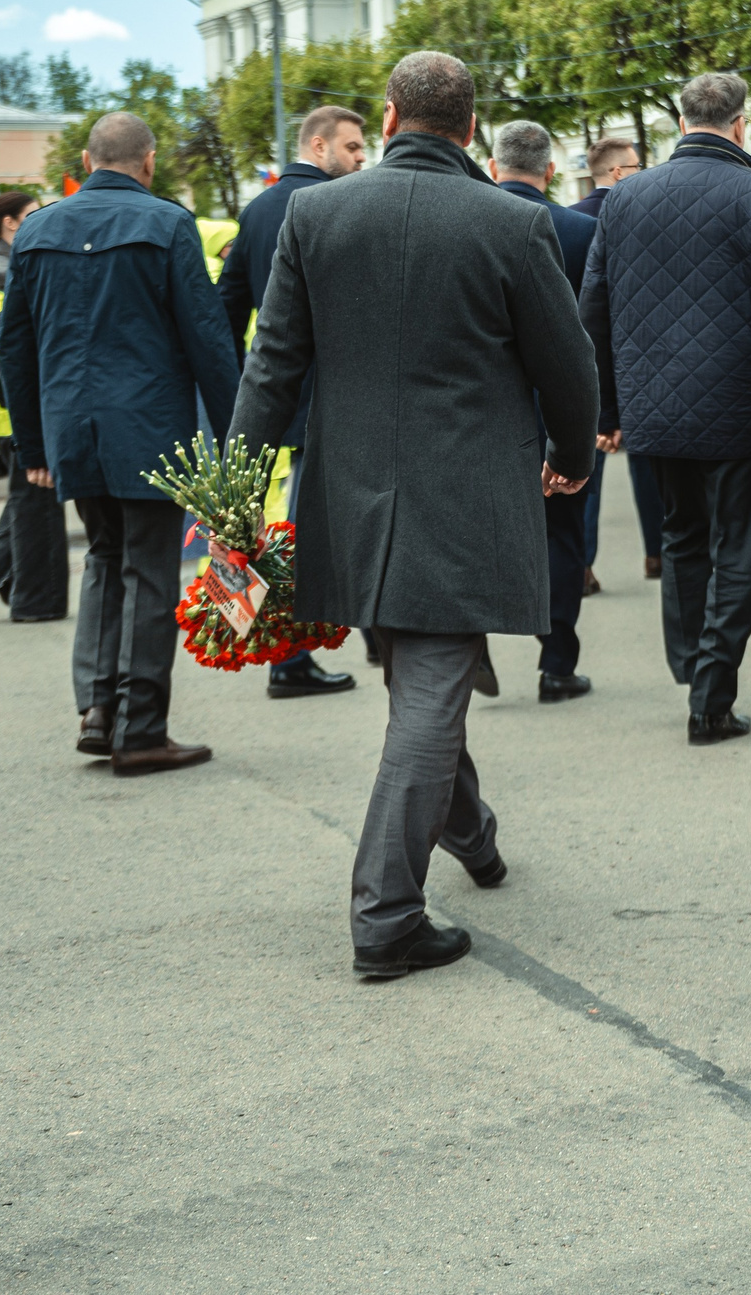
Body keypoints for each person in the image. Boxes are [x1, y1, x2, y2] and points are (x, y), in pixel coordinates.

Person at [228, 52, 597, 981]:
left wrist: (234, 490)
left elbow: (273, 364)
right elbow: (569, 365)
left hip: (347, 493)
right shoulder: (512, 224)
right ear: (471, 129)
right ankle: (386, 915)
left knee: (423, 676)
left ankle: (471, 835)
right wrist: (569, 455)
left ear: (389, 117)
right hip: (465, 496)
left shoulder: (316, 212)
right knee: (430, 689)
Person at [0, 111, 242, 775]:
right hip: (150, 424)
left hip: (70, 426)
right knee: (150, 570)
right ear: (149, 161)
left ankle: (96, 709)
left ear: (86, 157)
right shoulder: (166, 223)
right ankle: (141, 728)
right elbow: (208, 338)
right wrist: (240, 433)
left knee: (104, 558)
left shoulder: (39, 227)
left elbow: (13, 346)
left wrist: (34, 447)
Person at [580, 71, 751, 747]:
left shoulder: (623, 199)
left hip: (656, 408)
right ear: (740, 124)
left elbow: (592, 311)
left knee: (682, 535)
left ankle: (691, 662)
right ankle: (711, 694)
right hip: (748, 404)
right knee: (738, 543)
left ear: (682, 124)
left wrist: (607, 410)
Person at [215, 102, 370, 700]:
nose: (362, 159)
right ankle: (291, 657)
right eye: (353, 148)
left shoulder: (255, 212)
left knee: (264, 524)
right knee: (313, 531)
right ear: (319, 146)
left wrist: (240, 391)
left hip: (270, 399)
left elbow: (225, 310)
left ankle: (267, 641)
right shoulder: (335, 205)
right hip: (333, 399)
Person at [488, 119, 600, 703]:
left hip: (484, 414)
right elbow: (593, 332)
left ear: (492, 167)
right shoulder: (580, 231)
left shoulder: (470, 219)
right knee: (562, 536)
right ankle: (557, 665)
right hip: (560, 408)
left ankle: (469, 648)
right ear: (550, 170)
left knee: (475, 532)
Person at [0, 193, 69, 621]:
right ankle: (32, 599)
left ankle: (1, 575)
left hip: (6, 402)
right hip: (11, 405)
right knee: (35, 502)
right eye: (32, 216)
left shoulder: (3, 268)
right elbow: (18, 333)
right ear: (9, 223)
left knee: (28, 497)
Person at [571, 136, 666, 584]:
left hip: (582, 365)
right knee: (647, 466)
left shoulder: (569, 222)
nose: (643, 169)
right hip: (635, 361)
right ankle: (656, 553)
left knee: (587, 469)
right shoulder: (638, 219)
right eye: (636, 164)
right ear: (617, 172)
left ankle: (585, 563)